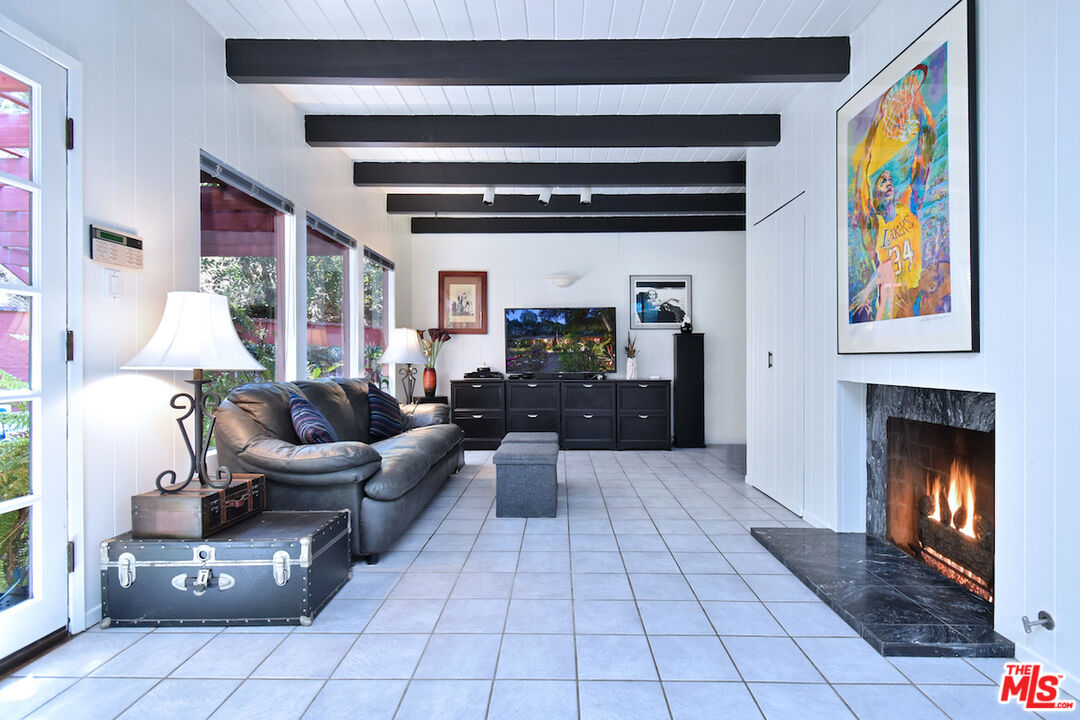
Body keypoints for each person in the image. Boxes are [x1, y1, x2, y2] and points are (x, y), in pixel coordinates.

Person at [849, 65, 937, 322]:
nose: (887, 182)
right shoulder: (874, 228)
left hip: (917, 308)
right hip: (889, 316)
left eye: (889, 179)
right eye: (881, 180)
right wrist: (875, 124)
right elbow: (860, 180)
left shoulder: (908, 206)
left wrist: (917, 101)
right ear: (875, 195)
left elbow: (927, 146)